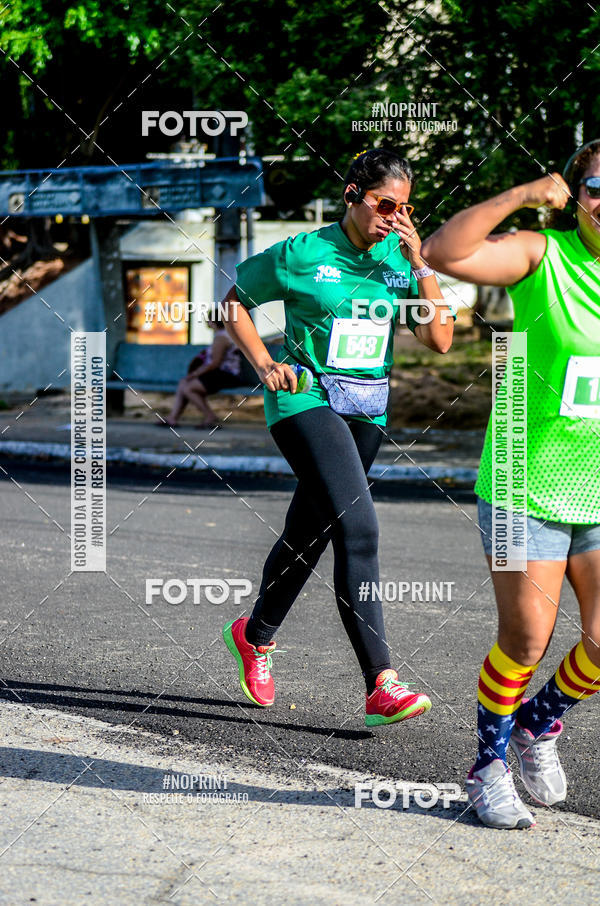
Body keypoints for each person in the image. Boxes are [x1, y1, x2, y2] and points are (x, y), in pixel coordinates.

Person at [218, 148, 454, 725]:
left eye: (405, 208)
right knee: (360, 525)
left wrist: (421, 261)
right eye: (384, 204)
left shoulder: (400, 261)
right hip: (305, 396)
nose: (393, 216)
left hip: (367, 408)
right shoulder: (304, 252)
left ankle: (256, 634)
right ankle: (382, 684)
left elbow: (440, 341)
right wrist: (265, 365)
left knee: (312, 530)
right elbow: (234, 303)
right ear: (353, 194)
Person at [422, 141, 600, 828]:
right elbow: (442, 252)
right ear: (575, 193)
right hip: (522, 480)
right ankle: (487, 765)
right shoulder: (541, 255)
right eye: (595, 186)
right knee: (527, 638)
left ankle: (539, 724)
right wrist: (524, 192)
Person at [158, 314, 241, 429]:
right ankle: (172, 418)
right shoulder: (222, 335)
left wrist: (195, 374)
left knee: (188, 387)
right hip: (218, 374)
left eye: (209, 320)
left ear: (214, 322)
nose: (207, 322)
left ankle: (210, 416)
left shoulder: (222, 338)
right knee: (183, 383)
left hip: (226, 376)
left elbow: (214, 363)